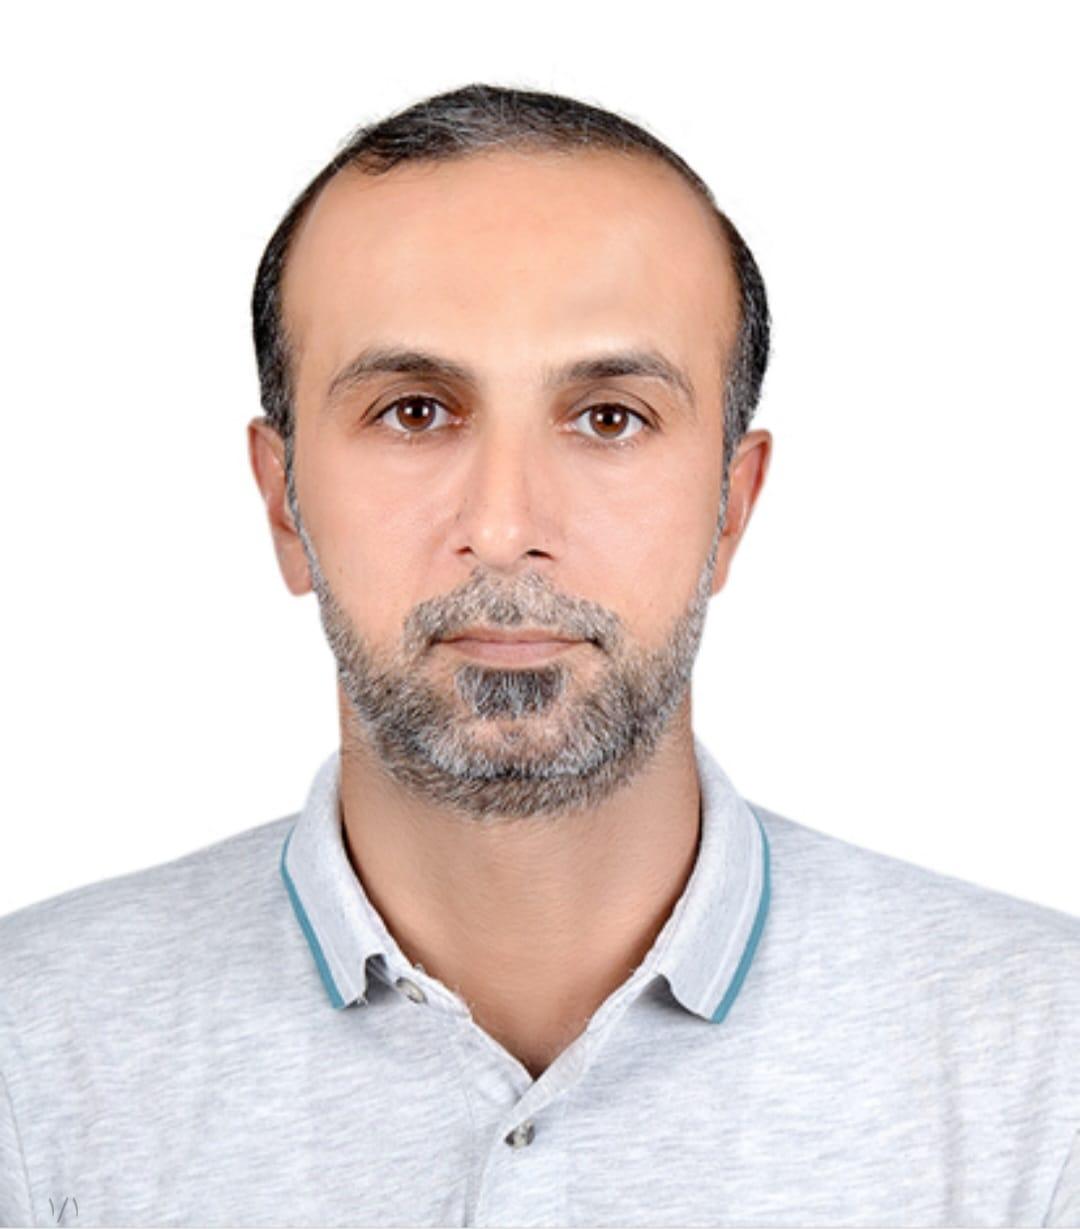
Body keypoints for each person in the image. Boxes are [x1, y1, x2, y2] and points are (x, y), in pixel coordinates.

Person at [1, 82, 1077, 1229]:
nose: (507, 524)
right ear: (283, 503)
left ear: (731, 508)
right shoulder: (30, 1057)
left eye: (610, 416)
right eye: (415, 411)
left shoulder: (1043, 1065)